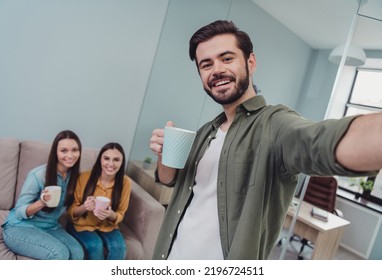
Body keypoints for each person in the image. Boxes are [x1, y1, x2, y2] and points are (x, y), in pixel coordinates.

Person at [149, 20, 382, 260]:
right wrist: (163, 155)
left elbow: (322, 143)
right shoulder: (206, 132)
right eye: (206, 65)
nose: (216, 69)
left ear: (251, 63)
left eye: (227, 58)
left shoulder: (275, 124)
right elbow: (169, 180)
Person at [2, 130, 84, 260]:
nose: (70, 155)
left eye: (75, 150)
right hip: (20, 227)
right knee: (60, 254)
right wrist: (41, 203)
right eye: (64, 150)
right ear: (55, 152)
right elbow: (19, 211)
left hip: (50, 227)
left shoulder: (75, 178)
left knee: (78, 253)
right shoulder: (38, 175)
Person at [67, 142, 131, 260]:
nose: (111, 164)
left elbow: (121, 213)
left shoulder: (125, 183)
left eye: (116, 160)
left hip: (108, 226)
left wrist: (111, 215)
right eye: (106, 158)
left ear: (122, 163)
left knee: (119, 247)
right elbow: (71, 212)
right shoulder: (84, 177)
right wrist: (85, 207)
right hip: (82, 225)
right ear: (100, 160)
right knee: (95, 245)